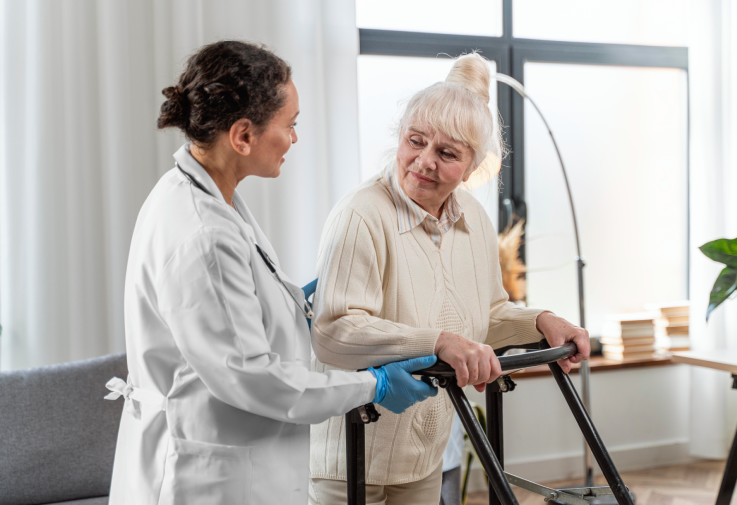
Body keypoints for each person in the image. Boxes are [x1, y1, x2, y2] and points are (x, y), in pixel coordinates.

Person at [104, 41, 437, 505]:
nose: (296, 138)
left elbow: (223, 313)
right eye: (290, 125)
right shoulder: (204, 233)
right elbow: (253, 378)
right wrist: (373, 385)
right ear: (243, 136)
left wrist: (290, 300)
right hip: (210, 477)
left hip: (221, 452)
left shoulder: (200, 193)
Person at [308, 53, 591, 504]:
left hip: (424, 455)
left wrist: (541, 321)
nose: (423, 162)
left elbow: (488, 315)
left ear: (473, 164)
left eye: (446, 154)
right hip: (352, 455)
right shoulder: (361, 214)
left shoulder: (474, 221)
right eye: (414, 141)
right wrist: (438, 341)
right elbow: (335, 331)